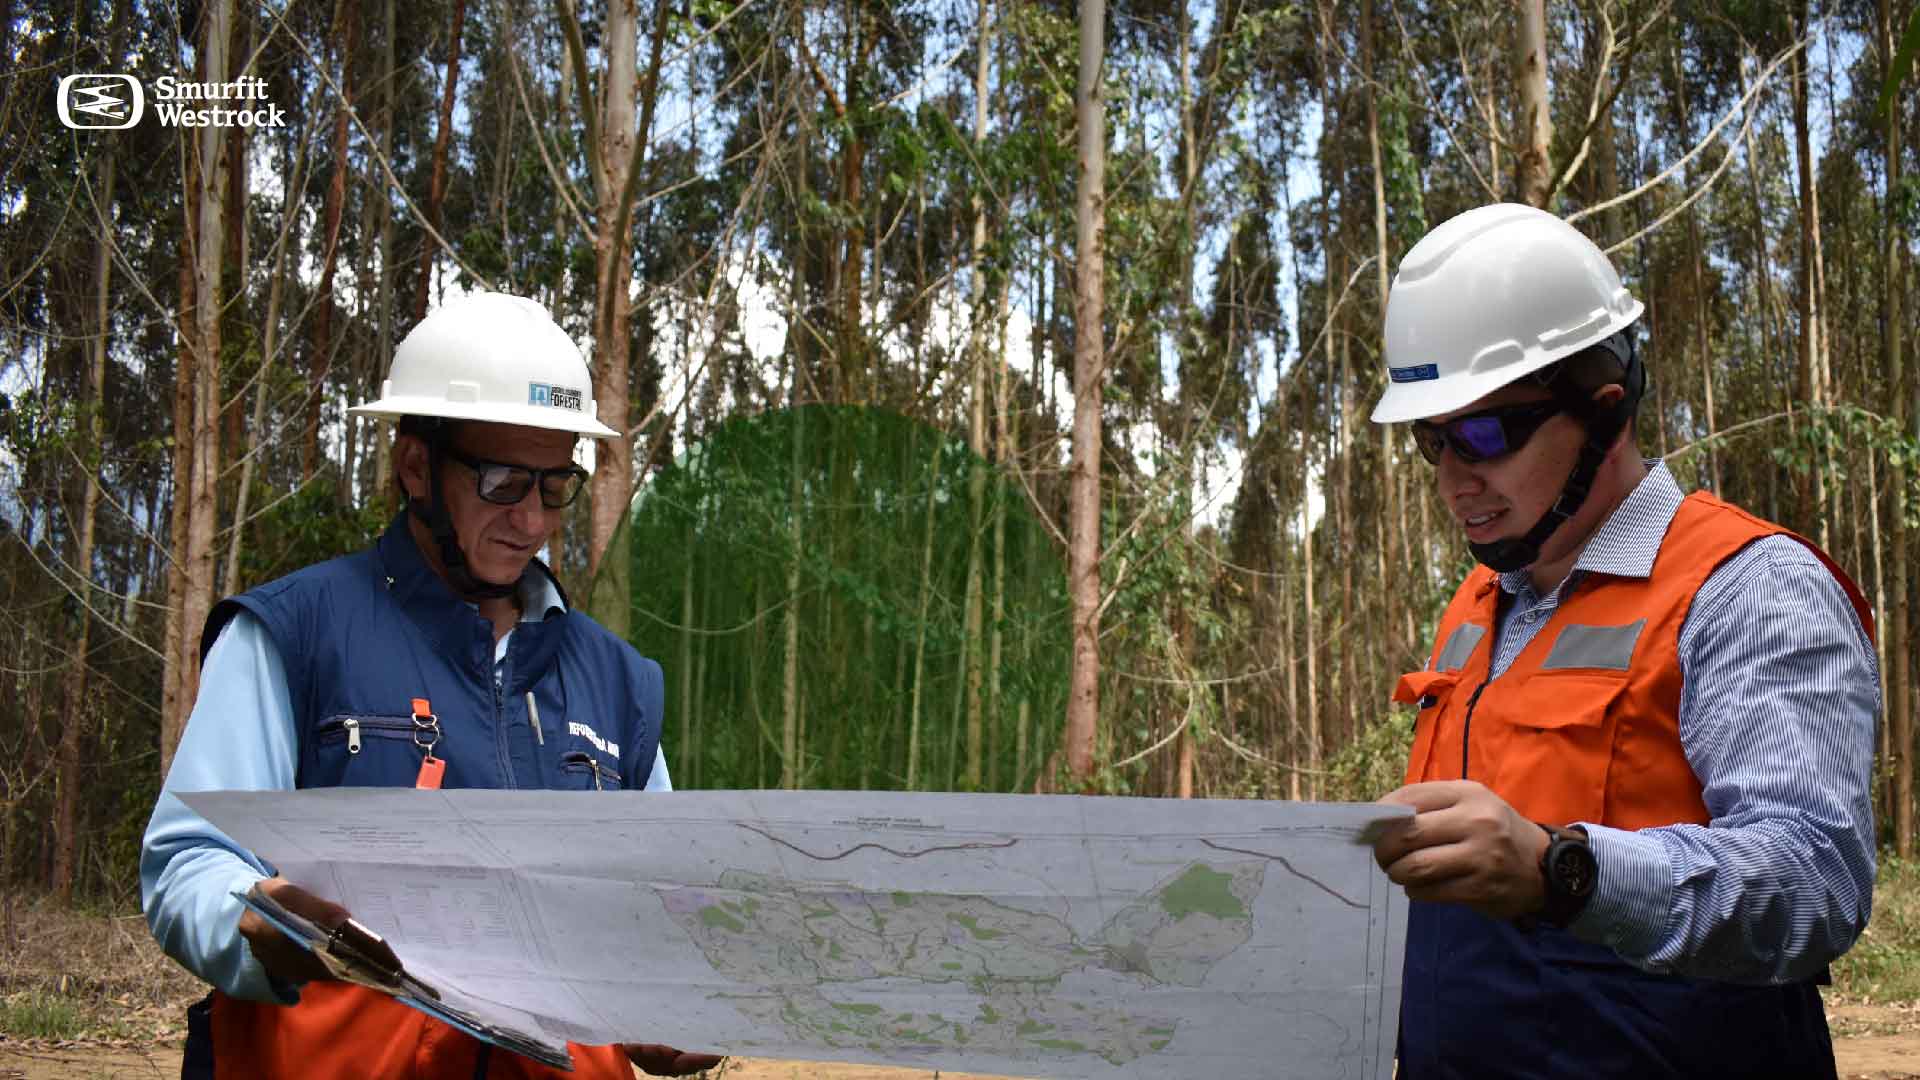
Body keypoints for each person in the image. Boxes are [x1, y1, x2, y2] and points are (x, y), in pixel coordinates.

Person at [141, 292, 724, 1080]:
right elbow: (190, 861)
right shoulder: (296, 634)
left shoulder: (618, 683)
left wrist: (669, 1005)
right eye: (503, 482)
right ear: (416, 466)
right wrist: (260, 929)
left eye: (555, 486)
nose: (533, 522)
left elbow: (659, 912)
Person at [1365, 204, 1879, 1078]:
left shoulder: (1747, 589)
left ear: (1604, 412)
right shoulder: (1480, 604)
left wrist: (1562, 870)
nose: (1453, 479)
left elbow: (1813, 880)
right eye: (1431, 440)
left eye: (1483, 434)